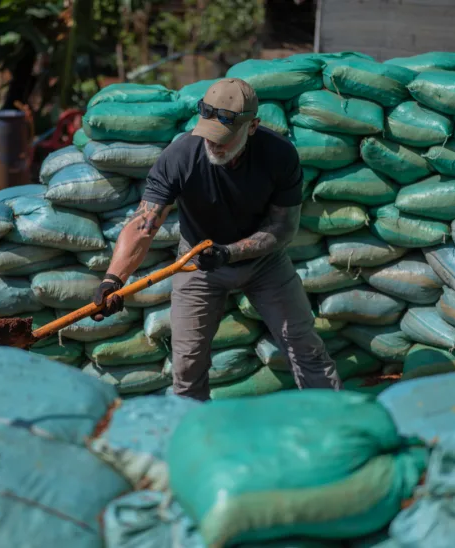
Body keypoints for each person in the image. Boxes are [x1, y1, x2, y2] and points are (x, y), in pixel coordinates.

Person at [92, 78, 341, 401]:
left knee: (304, 345)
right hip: (196, 263)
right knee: (187, 364)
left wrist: (228, 253)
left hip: (264, 262)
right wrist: (114, 279)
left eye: (223, 137)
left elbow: (283, 228)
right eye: (208, 134)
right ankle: (194, 425)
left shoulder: (279, 156)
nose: (214, 144)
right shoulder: (180, 156)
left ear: (252, 127)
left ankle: (332, 416)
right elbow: (143, 224)